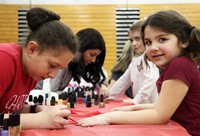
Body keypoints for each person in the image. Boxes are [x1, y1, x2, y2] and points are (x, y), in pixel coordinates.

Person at [77, 10, 200, 136]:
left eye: (162, 39)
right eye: (148, 42)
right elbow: (162, 106)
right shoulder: (176, 65)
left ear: (184, 41)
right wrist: (134, 108)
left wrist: (109, 118)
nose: (153, 47)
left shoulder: (180, 65)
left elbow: (159, 115)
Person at [0, 7, 79, 129]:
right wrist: (38, 119)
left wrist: (36, 109)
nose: (53, 75)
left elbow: (8, 108)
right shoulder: (4, 59)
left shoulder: (32, 72)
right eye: (52, 65)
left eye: (60, 69)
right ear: (32, 49)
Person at [35, 28, 107, 93]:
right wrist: (76, 94)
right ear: (81, 49)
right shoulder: (64, 63)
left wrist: (102, 86)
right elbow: (51, 92)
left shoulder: (82, 65)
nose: (94, 60)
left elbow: (100, 72)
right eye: (92, 54)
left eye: (97, 57)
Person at [109, 21, 145, 98]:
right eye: (131, 40)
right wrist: (108, 96)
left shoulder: (153, 61)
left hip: (152, 106)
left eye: (137, 39)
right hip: (139, 105)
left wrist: (136, 101)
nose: (134, 44)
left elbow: (150, 83)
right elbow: (123, 82)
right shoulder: (135, 60)